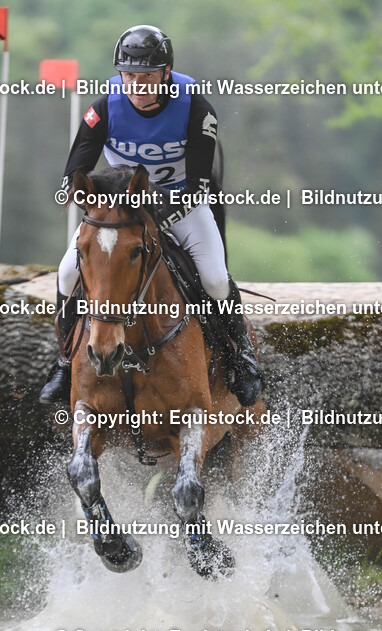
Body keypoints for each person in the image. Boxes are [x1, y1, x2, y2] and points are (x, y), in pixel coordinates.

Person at [39, 24, 262, 406]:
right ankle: (63, 363)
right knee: (66, 272)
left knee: (213, 278)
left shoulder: (195, 107)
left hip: (182, 203)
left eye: (146, 76)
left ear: (167, 73)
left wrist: (162, 219)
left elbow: (199, 185)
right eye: (129, 76)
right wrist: (70, 193)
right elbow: (75, 166)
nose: (137, 85)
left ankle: (241, 357)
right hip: (119, 209)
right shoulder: (104, 107)